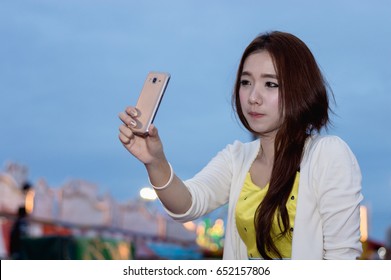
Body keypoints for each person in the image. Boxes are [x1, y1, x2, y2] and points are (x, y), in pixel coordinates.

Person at [118, 31, 363, 260]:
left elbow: (342, 257)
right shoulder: (237, 158)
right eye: (246, 82)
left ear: (300, 89)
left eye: (271, 84)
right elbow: (188, 205)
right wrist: (156, 162)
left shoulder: (328, 154)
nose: (253, 97)